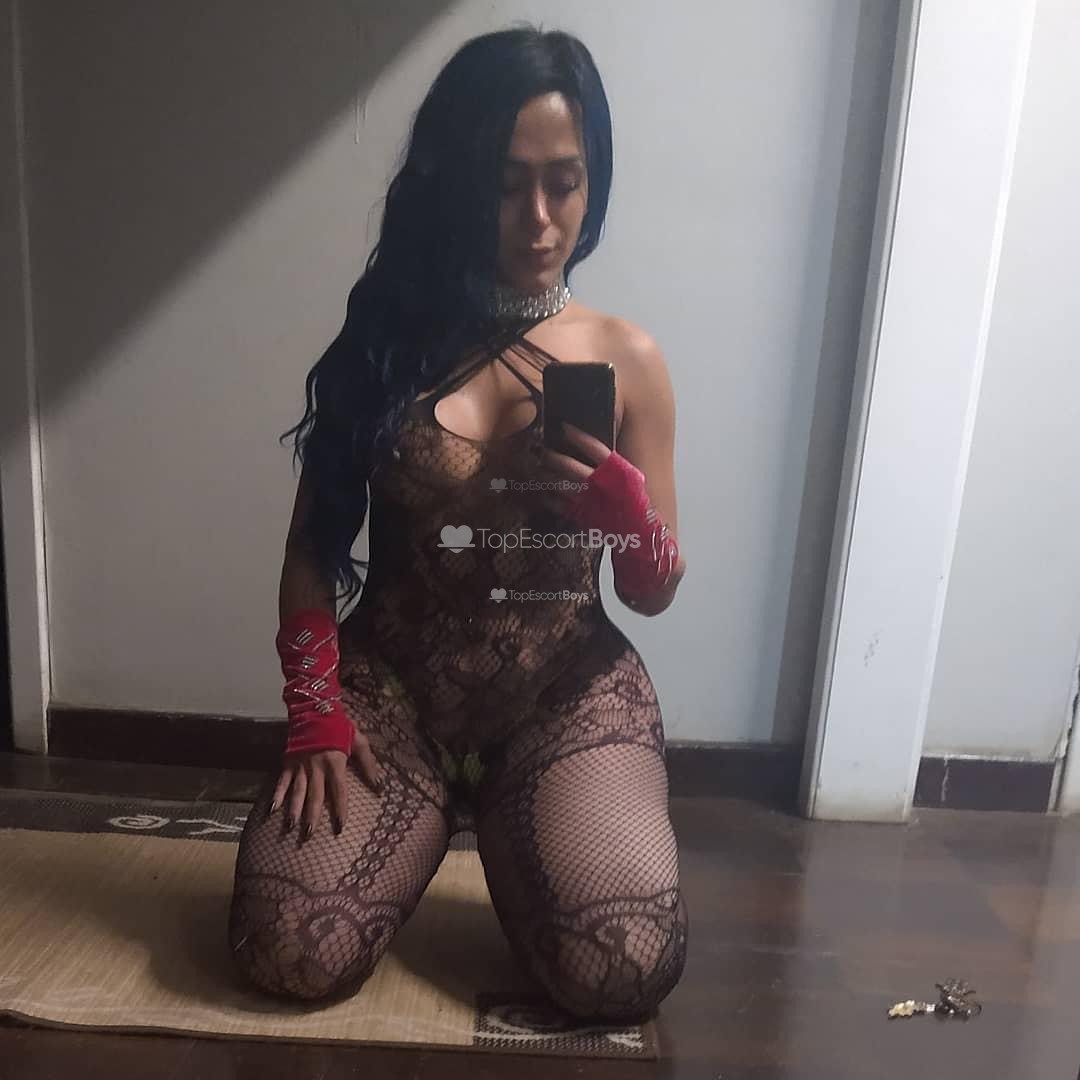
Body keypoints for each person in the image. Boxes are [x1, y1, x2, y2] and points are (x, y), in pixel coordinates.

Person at [227, 25, 688, 1024]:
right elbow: (311, 551)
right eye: (506, 183)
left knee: (623, 968)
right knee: (288, 950)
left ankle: (537, 839)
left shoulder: (629, 359)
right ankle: (446, 831)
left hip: (563, 696)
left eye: (564, 183)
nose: (538, 219)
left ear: (595, 182)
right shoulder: (385, 343)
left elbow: (652, 590)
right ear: (457, 178)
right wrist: (314, 707)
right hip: (394, 698)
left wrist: (629, 518)